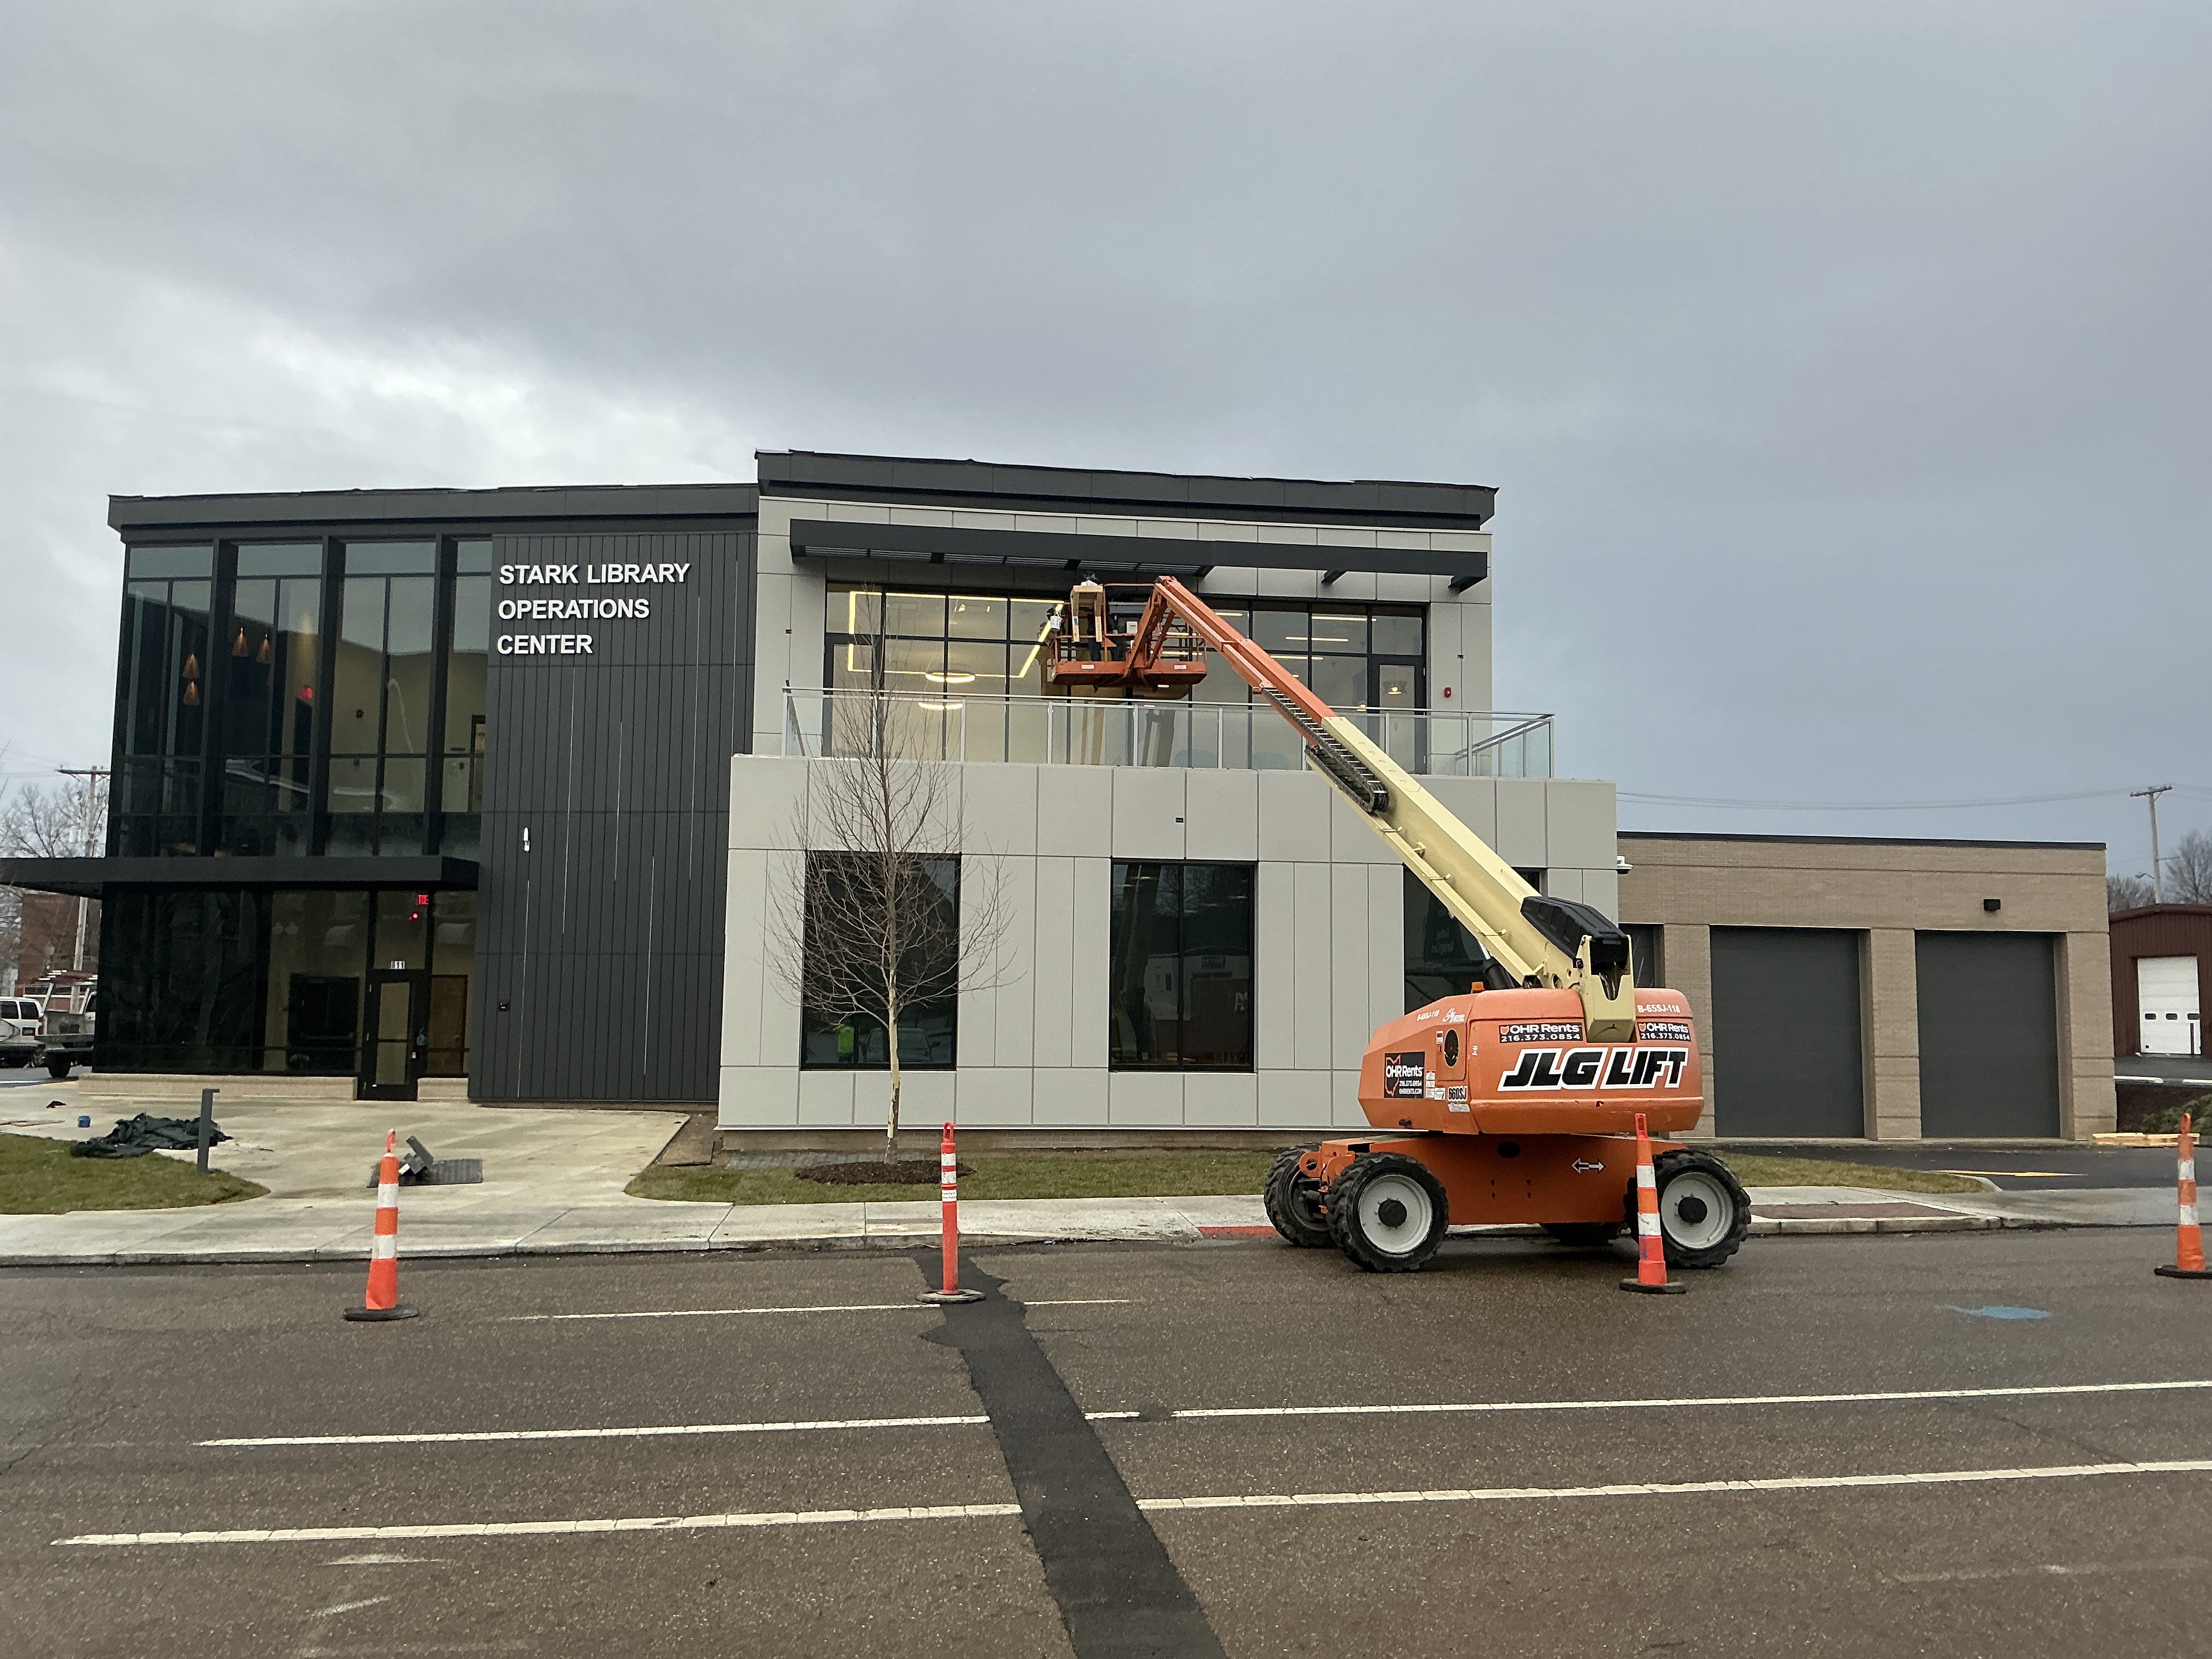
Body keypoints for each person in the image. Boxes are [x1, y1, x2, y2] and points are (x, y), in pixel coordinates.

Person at [1068, 578, 1108, 663]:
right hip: (1095, 622)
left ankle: (1097, 660)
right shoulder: (1098, 594)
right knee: (1093, 637)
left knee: (1093, 637)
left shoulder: (1100, 598)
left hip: (1099, 623)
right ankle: (1096, 660)